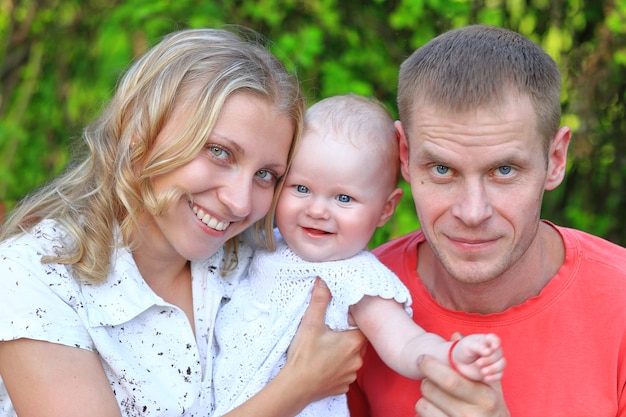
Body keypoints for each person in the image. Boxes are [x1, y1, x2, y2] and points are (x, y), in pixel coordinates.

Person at [0, 28, 366, 417]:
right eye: (219, 152)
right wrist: (296, 389)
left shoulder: (265, 267)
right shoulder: (35, 277)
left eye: (266, 175)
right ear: (139, 131)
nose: (239, 202)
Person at [347, 24, 626, 417]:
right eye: (443, 169)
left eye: (504, 170)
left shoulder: (620, 302)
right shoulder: (353, 300)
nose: (472, 212)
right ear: (405, 156)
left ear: (556, 160)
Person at [212, 94, 506, 417]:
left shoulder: (357, 277)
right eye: (301, 188)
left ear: (385, 209)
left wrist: (451, 354)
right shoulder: (265, 241)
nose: (317, 210)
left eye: (343, 197)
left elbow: (406, 344)